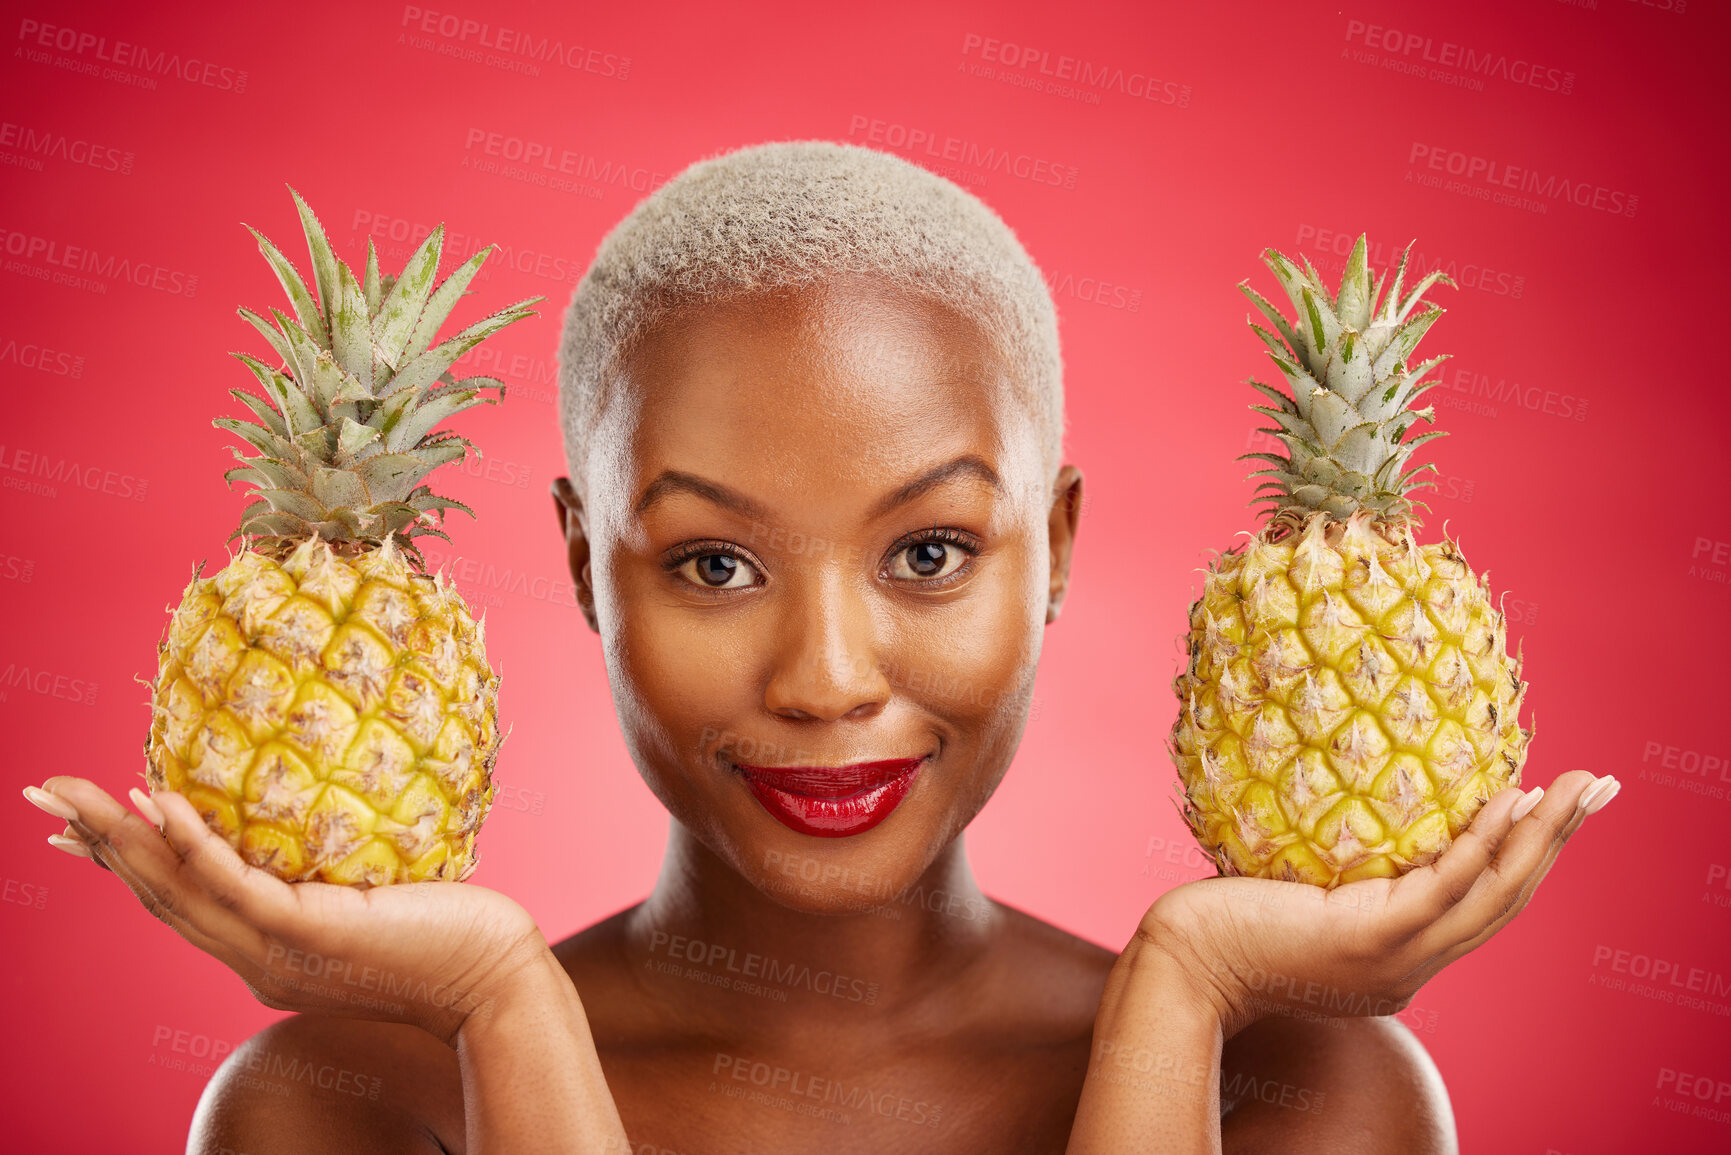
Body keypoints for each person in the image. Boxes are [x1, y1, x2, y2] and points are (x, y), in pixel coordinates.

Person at [25, 141, 1616, 1153]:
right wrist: (502, 1007)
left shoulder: (1310, 1099)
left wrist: (1187, 992)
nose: (827, 676)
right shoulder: (346, 1108)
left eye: (929, 552)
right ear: (587, 566)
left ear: (1052, 550)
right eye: (715, 561)